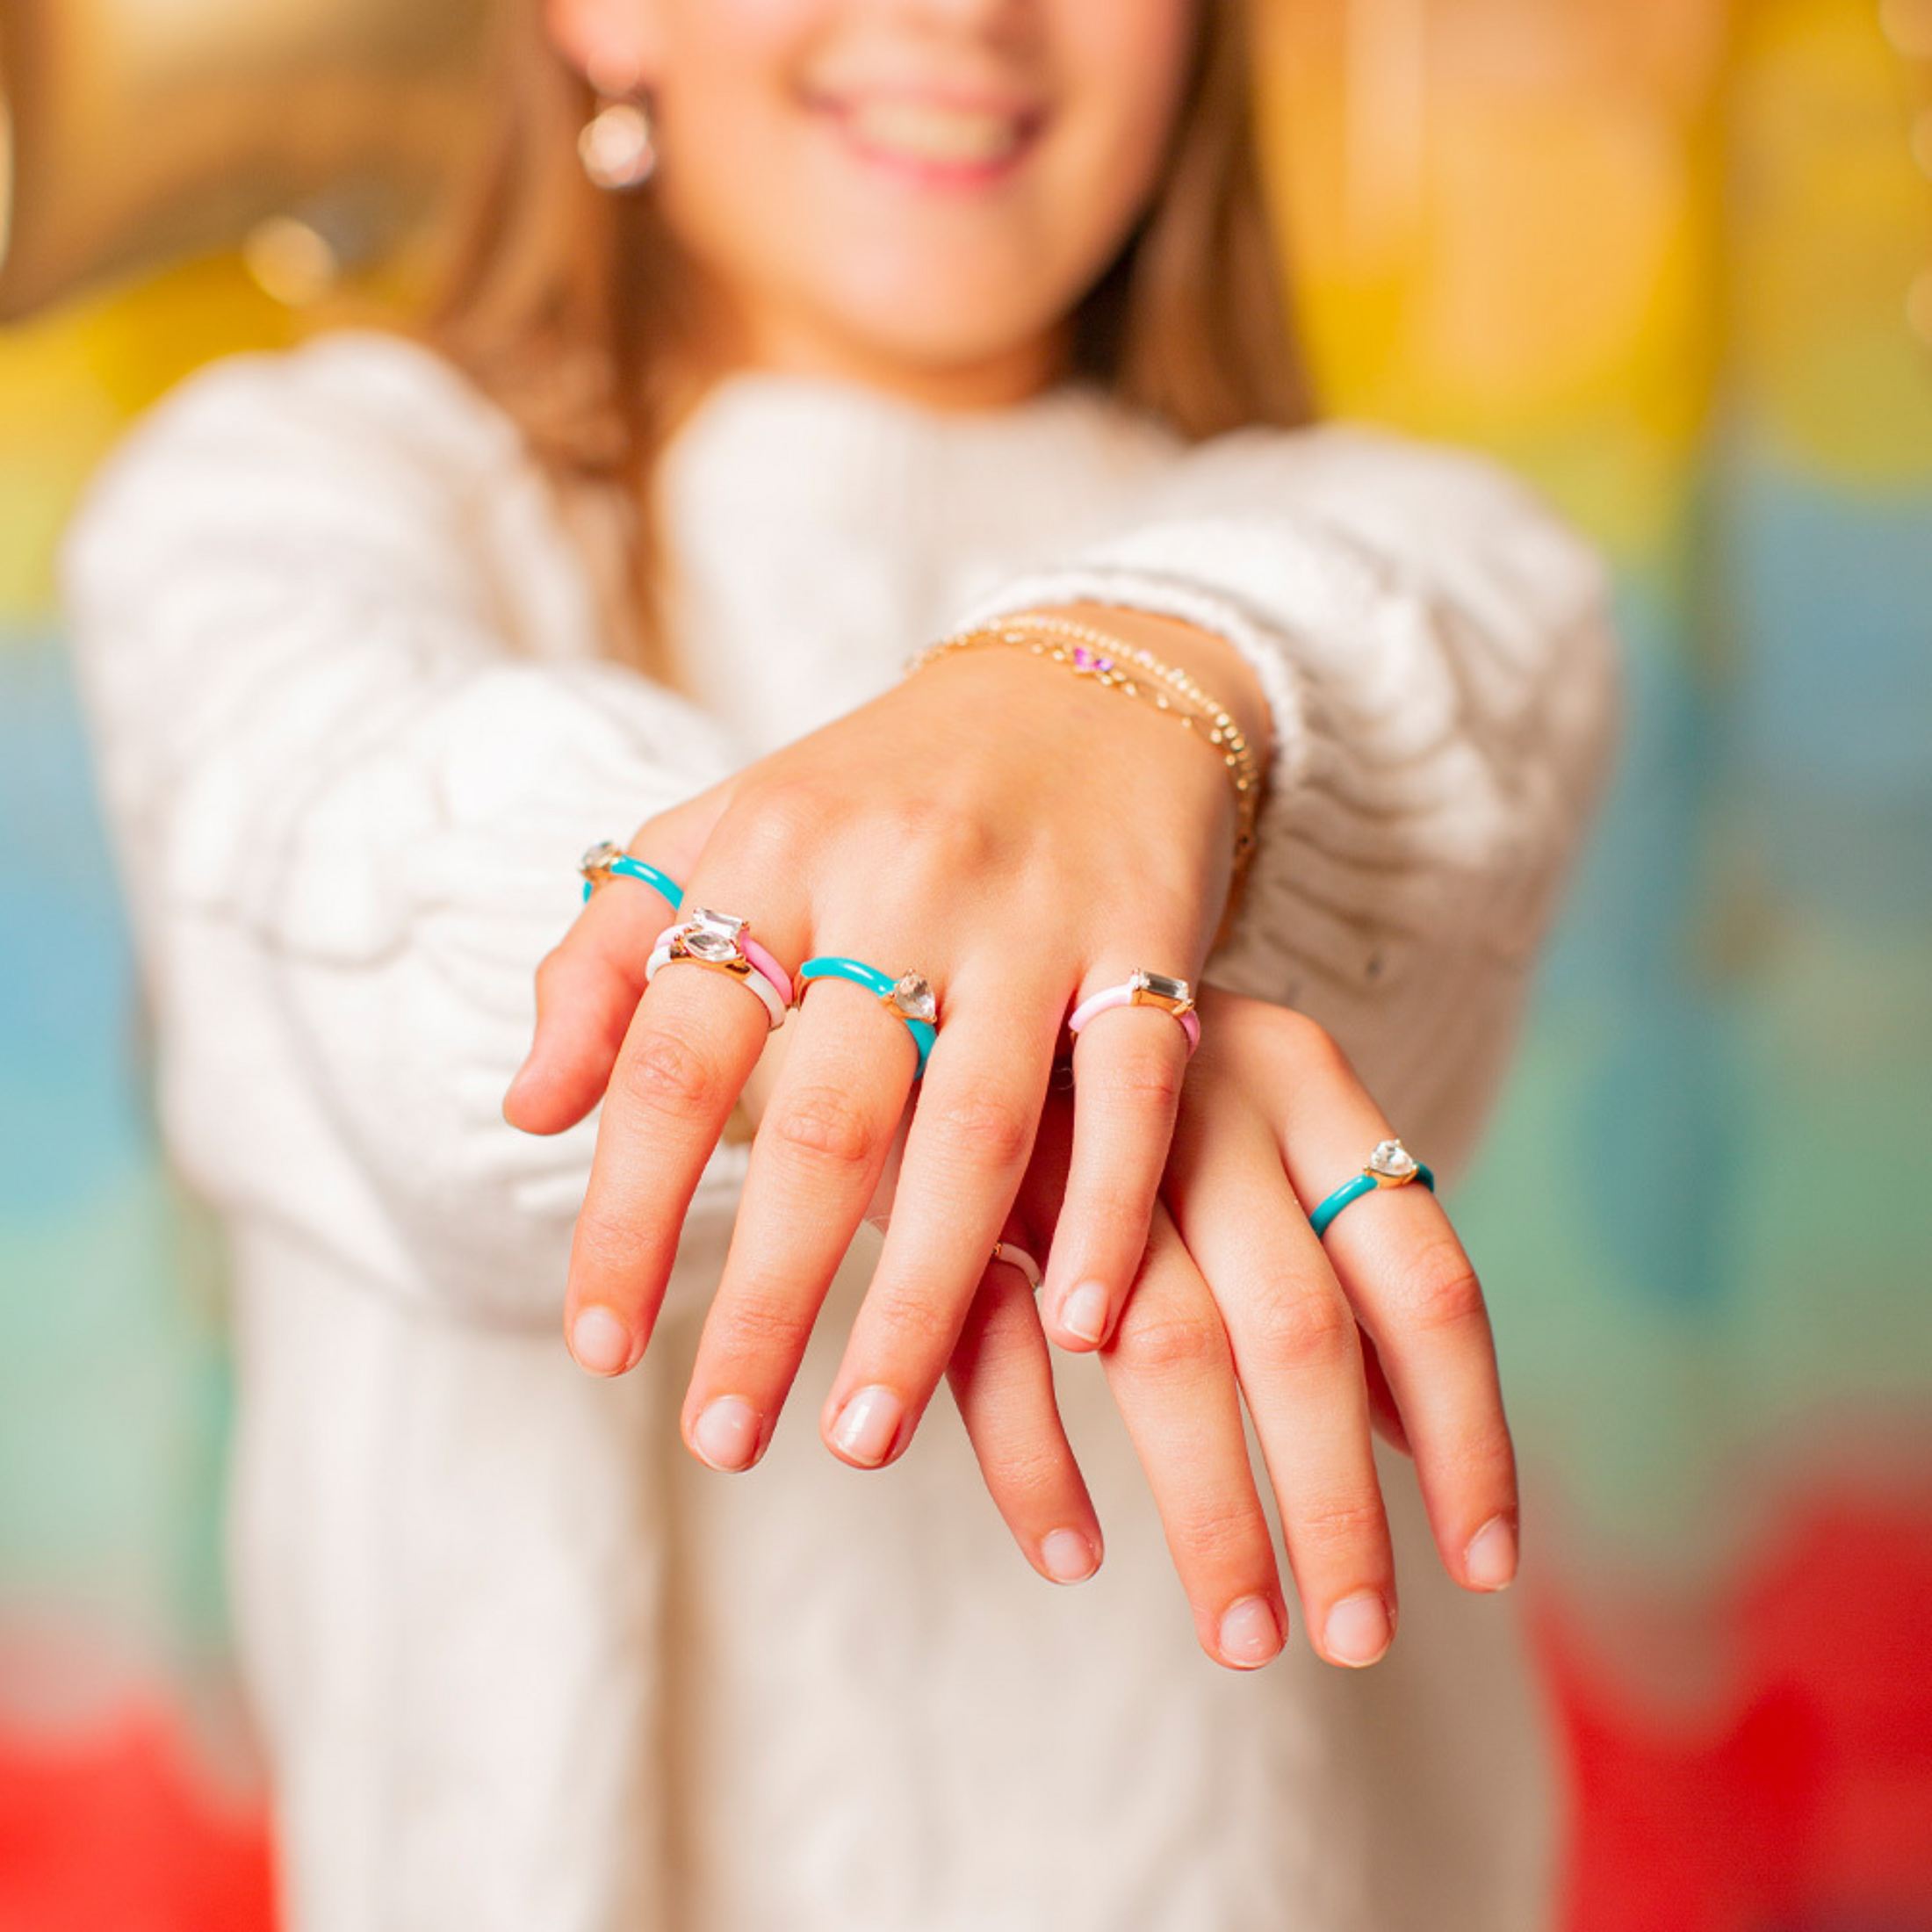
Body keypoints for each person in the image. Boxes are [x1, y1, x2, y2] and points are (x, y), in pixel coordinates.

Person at [56, 0, 1618, 1925]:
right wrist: (1107, 1004)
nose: (964, 13)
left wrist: (1136, 693)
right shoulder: (268, 507)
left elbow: (1373, 654)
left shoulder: (1426, 564)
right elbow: (467, 1070)